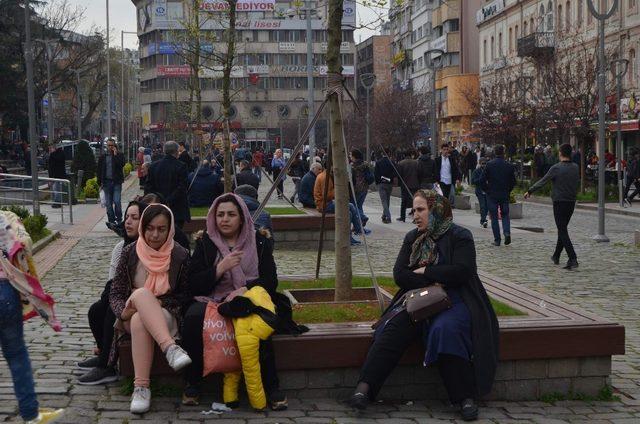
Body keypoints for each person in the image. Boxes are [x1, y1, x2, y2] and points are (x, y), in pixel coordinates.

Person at [347, 190, 499, 422]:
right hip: (420, 299)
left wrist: (426, 270)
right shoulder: (413, 238)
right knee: (394, 328)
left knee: (446, 330)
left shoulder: (460, 236)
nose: (415, 215)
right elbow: (400, 275)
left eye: (420, 210)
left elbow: (463, 271)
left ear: (436, 210)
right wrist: (435, 281)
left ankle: (464, 397)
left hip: (455, 300)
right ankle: (365, 388)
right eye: (413, 211)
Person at [181, 194, 287, 410]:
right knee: (192, 319)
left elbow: (270, 280)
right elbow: (193, 283)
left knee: (258, 322)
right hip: (213, 297)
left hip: (248, 296)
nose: (225, 219)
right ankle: (193, 382)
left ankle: (272, 387)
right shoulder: (206, 242)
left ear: (242, 217)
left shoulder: (259, 240)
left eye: (231, 214)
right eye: (220, 215)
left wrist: (245, 289)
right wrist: (220, 268)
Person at [109, 204, 192, 414]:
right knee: (140, 299)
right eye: (150, 228)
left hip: (166, 314)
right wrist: (122, 311)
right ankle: (170, 349)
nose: (155, 235)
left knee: (141, 314)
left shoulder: (180, 255)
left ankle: (141, 387)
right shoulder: (129, 252)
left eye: (161, 229)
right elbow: (116, 292)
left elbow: (185, 295)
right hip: (130, 313)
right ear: (143, 228)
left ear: (170, 229)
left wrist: (158, 304)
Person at [0, 211, 65, 424]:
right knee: (17, 355)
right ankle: (30, 414)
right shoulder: (4, 219)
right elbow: (23, 245)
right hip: (5, 292)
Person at [77, 200, 148, 385]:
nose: (128, 222)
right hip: (120, 294)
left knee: (111, 312)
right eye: (127, 217)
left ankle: (106, 367)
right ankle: (103, 354)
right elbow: (112, 282)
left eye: (135, 218)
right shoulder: (120, 248)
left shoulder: (148, 248)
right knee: (96, 310)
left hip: (141, 299)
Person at [524, 143, 580, 270]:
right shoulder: (576, 167)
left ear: (560, 153)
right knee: (563, 228)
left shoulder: (556, 168)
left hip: (559, 202)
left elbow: (543, 181)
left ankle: (573, 258)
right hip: (571, 202)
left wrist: (530, 190)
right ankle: (556, 255)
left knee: (562, 230)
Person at [145, 141, 190, 229]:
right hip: (177, 208)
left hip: (158, 207)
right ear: (177, 152)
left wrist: (158, 199)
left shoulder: (154, 166)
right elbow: (182, 187)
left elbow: (148, 187)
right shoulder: (181, 166)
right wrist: (169, 200)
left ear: (164, 151)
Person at [313, 169, 363, 245]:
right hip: (324, 205)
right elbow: (327, 195)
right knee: (349, 210)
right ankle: (356, 231)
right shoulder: (325, 178)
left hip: (325, 203)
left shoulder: (325, 176)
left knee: (350, 209)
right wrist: (337, 190)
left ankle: (356, 231)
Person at [482, 144, 516, 246]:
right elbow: (513, 182)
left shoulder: (489, 164)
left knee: (494, 217)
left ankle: (497, 240)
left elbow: (482, 179)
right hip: (504, 194)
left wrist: (486, 189)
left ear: (494, 152)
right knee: (505, 215)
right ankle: (507, 233)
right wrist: (508, 190)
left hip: (492, 194)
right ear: (503, 153)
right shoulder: (509, 165)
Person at [97, 138, 126, 226]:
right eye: (109, 145)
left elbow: (121, 165)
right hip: (106, 183)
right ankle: (111, 220)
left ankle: (119, 219)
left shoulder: (119, 155)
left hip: (116, 182)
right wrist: (99, 182)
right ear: (106, 146)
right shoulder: (103, 156)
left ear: (115, 146)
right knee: (108, 204)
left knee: (117, 201)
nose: (110, 147)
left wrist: (116, 155)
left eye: (112, 145)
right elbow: (99, 170)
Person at [350, 149, 373, 228]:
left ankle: (363, 218)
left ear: (354, 156)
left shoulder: (353, 166)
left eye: (351, 155)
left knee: (353, 206)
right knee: (359, 206)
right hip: (365, 188)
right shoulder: (365, 164)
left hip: (356, 189)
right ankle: (359, 224)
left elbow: (352, 178)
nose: (350, 156)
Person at [396, 150, 419, 222]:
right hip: (415, 184)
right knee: (415, 201)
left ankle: (402, 217)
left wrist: (399, 184)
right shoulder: (416, 162)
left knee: (404, 201)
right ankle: (416, 217)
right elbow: (419, 173)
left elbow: (399, 175)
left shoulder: (401, 163)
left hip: (405, 185)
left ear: (404, 155)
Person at [374, 152, 396, 224]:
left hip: (381, 183)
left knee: (384, 201)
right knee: (387, 199)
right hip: (389, 183)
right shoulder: (392, 162)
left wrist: (377, 182)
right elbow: (395, 173)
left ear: (382, 154)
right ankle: (384, 215)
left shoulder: (378, 162)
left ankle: (388, 216)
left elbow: (376, 173)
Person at [47, 144, 67, 208]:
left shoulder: (53, 156)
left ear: (54, 148)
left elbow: (51, 167)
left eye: (50, 149)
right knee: (57, 189)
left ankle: (57, 202)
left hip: (55, 175)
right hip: (60, 175)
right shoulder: (61, 154)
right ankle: (57, 202)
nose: (49, 150)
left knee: (56, 189)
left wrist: (50, 178)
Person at [471, 158, 489, 228]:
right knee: (482, 206)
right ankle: (483, 221)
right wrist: (481, 180)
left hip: (487, 191)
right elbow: (473, 181)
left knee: (487, 206)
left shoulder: (488, 171)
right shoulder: (476, 171)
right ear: (479, 163)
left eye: (485, 163)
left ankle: (483, 219)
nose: (484, 165)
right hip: (479, 191)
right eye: (482, 163)